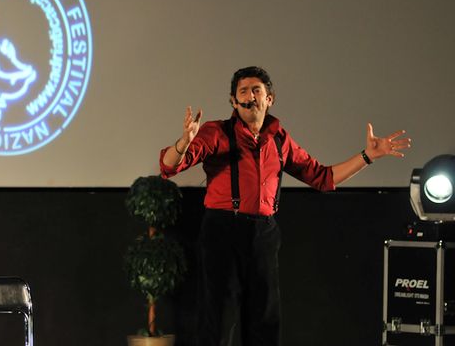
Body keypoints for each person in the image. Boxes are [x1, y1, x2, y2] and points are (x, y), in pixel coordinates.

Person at [159, 66, 411, 346]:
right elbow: (169, 166)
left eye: (256, 90)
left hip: (263, 233)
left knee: (264, 322)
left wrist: (368, 156)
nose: (250, 96)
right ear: (234, 101)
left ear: (269, 99)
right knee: (218, 320)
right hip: (222, 231)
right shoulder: (216, 132)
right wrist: (184, 142)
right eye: (243, 91)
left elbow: (323, 177)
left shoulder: (279, 139)